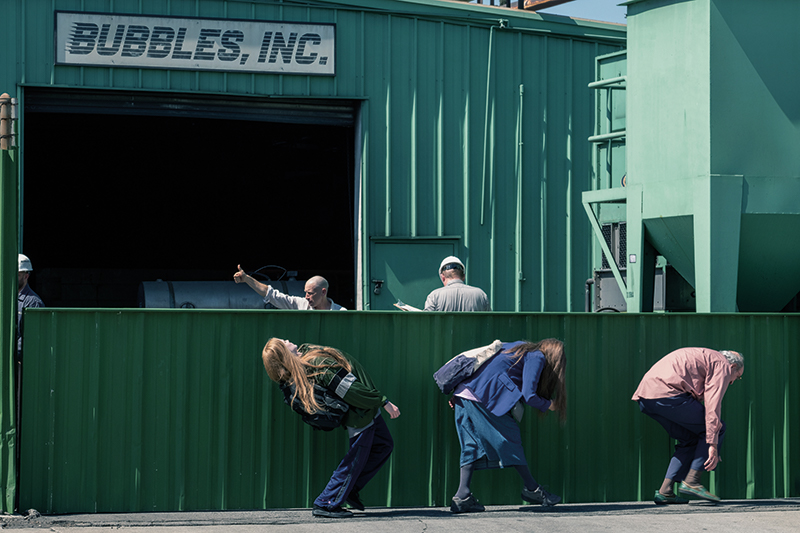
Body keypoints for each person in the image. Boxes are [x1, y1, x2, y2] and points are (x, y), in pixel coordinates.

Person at [261, 338, 401, 518]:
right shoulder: (317, 364)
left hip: (366, 409)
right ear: (284, 353)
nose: (288, 339)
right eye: (284, 342)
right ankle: (325, 502)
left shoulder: (307, 353)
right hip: (360, 413)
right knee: (354, 460)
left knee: (384, 445)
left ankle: (349, 489)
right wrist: (384, 401)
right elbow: (350, 390)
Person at [448, 339, 567, 513]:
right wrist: (550, 405)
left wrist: (458, 393)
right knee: (510, 439)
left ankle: (462, 497)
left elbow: (482, 364)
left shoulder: (516, 347)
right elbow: (529, 395)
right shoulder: (536, 356)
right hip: (482, 395)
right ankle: (532, 490)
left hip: (463, 392)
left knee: (470, 445)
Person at [632, 347, 745, 504]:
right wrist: (713, 444)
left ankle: (666, 491)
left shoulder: (706, 357)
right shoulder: (722, 364)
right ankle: (692, 480)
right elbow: (713, 404)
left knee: (691, 440)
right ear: (732, 367)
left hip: (647, 397)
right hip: (669, 394)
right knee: (717, 427)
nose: (732, 382)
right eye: (737, 377)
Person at [234, 265, 345, 310]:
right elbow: (272, 295)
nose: (306, 297)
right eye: (305, 292)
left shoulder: (342, 313)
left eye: (310, 293)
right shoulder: (301, 304)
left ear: (323, 292)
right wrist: (247, 279)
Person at [424, 256, 490, 311]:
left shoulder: (434, 296)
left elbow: (426, 322)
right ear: (463, 277)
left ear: (443, 277)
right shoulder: (480, 295)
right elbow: (490, 322)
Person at [17, 254, 44, 359]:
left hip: (21, 362)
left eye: (17, 275)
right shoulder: (8, 299)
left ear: (26, 276)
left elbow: (32, 338)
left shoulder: (33, 303)